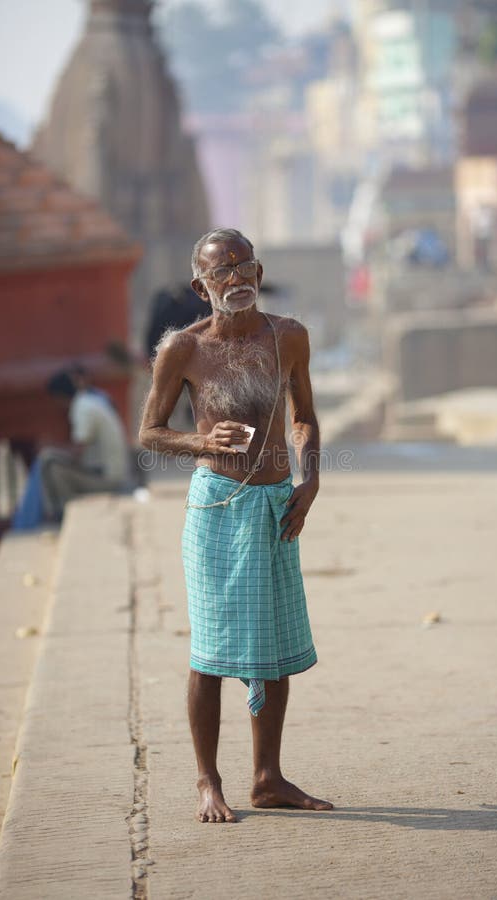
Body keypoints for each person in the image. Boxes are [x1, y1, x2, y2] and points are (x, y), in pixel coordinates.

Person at [139, 227, 332, 823]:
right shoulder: (184, 349)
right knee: (211, 651)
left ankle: (267, 778)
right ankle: (207, 781)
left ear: (260, 270)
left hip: (277, 503)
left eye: (244, 267)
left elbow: (305, 419)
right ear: (202, 286)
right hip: (216, 507)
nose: (236, 279)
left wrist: (311, 481)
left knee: (273, 648)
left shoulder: (288, 337)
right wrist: (200, 440)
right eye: (221, 272)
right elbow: (149, 432)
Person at [39, 368, 130, 521]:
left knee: (53, 468)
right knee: (50, 461)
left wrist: (50, 448)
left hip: (110, 479)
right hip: (109, 471)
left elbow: (77, 452)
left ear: (60, 396)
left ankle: (65, 514)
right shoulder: (88, 400)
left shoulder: (82, 409)